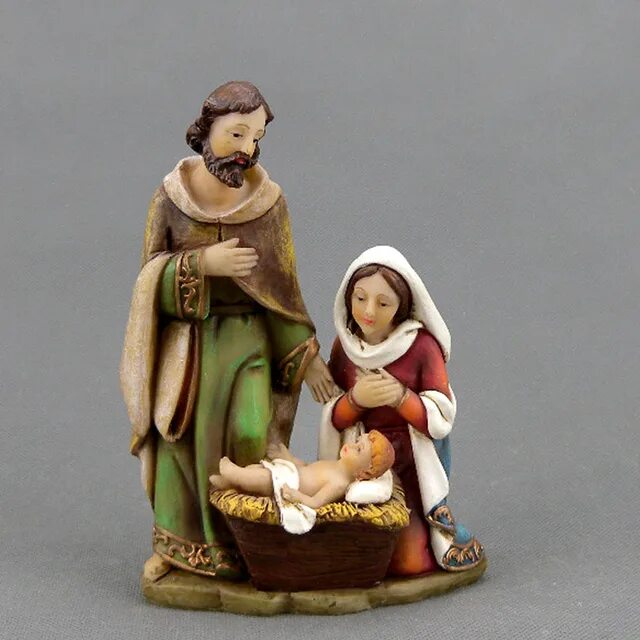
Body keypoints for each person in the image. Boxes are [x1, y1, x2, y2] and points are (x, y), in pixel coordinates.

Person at [121, 81, 334, 582]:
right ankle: (178, 547)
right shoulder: (170, 197)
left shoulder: (268, 203)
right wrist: (202, 265)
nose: (246, 149)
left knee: (250, 432)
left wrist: (307, 358)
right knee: (182, 441)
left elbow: (283, 290)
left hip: (249, 341)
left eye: (256, 138)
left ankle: (246, 545)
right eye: (236, 134)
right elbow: (147, 281)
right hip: (188, 348)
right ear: (205, 129)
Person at [319, 246, 484, 575]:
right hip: (363, 460)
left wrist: (400, 397)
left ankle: (434, 536)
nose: (369, 311)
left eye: (383, 303)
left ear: (401, 305)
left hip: (411, 465)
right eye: (360, 298)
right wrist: (357, 400)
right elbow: (333, 417)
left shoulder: (421, 347)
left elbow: (440, 417)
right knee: (358, 551)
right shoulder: (346, 347)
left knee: (410, 563)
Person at [210, 431, 395, 509]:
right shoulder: (335, 464)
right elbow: (307, 468)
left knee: (261, 477)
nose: (352, 446)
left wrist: (296, 496)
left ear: (364, 473)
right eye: (357, 441)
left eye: (359, 450)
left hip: (289, 484)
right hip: (290, 472)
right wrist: (288, 458)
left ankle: (234, 474)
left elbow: (315, 502)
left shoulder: (339, 483)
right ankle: (228, 482)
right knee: (256, 468)